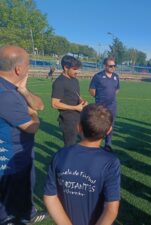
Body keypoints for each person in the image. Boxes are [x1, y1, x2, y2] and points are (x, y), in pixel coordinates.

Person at [44, 104, 120, 225]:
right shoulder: (110, 161)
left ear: (78, 127)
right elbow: (111, 209)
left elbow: (50, 197)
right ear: (109, 130)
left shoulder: (60, 154)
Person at [0, 45, 46, 224]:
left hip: (19, 154)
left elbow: (40, 105)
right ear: (18, 69)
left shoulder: (12, 88)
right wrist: (33, 114)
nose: (30, 68)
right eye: (28, 64)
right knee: (9, 206)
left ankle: (27, 213)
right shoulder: (6, 95)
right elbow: (32, 126)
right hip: (12, 159)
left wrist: (24, 91)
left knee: (23, 194)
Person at [51, 55, 88, 147]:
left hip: (79, 117)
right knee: (70, 146)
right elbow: (54, 104)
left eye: (78, 69)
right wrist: (75, 107)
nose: (77, 72)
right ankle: (67, 160)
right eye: (75, 69)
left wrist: (82, 101)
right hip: (68, 121)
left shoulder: (75, 80)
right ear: (66, 67)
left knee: (86, 141)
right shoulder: (59, 82)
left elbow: (76, 95)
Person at [89, 57, 120, 151]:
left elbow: (117, 89)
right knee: (98, 124)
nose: (113, 68)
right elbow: (91, 90)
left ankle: (108, 144)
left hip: (112, 106)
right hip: (100, 106)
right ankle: (94, 143)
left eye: (114, 66)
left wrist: (110, 96)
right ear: (105, 66)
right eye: (111, 66)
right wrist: (100, 99)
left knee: (111, 124)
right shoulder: (98, 76)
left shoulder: (116, 76)